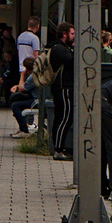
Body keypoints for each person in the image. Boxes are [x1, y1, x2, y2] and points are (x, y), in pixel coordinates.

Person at [49, 22, 75, 158]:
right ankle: (58, 149)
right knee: (65, 118)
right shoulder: (60, 49)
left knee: (61, 118)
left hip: (62, 87)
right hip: (64, 88)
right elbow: (72, 62)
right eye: (72, 34)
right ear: (64, 34)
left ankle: (58, 147)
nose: (74, 37)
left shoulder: (60, 48)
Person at [0, 23, 18, 105]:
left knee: (7, 81)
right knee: (1, 80)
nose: (10, 32)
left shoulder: (11, 40)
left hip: (10, 64)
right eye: (8, 31)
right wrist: (0, 62)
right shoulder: (1, 40)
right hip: (2, 65)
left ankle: (7, 97)